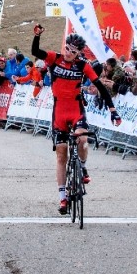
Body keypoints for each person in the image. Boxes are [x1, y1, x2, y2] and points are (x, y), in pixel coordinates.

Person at [30, 24, 121, 215]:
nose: (69, 53)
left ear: (79, 53)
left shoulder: (83, 66)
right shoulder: (55, 58)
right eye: (67, 49)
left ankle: (84, 167)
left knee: (82, 138)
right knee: (61, 155)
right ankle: (63, 198)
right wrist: (37, 36)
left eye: (73, 51)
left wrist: (113, 110)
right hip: (59, 112)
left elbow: (101, 86)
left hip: (76, 109)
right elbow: (35, 51)